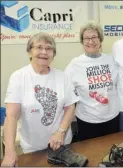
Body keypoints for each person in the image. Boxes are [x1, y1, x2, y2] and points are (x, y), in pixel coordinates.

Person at [2, 32, 79, 166]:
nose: (44, 52)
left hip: (61, 144)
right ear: (29, 52)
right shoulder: (19, 77)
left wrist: (61, 132)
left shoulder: (63, 77)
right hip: (33, 147)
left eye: (49, 48)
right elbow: (11, 117)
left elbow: (70, 107)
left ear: (53, 54)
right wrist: (9, 152)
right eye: (39, 47)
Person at [65, 21, 119, 141]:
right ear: (82, 41)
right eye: (86, 38)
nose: (91, 41)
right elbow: (67, 94)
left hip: (113, 117)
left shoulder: (111, 60)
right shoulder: (75, 65)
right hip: (88, 120)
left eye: (94, 37)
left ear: (100, 39)